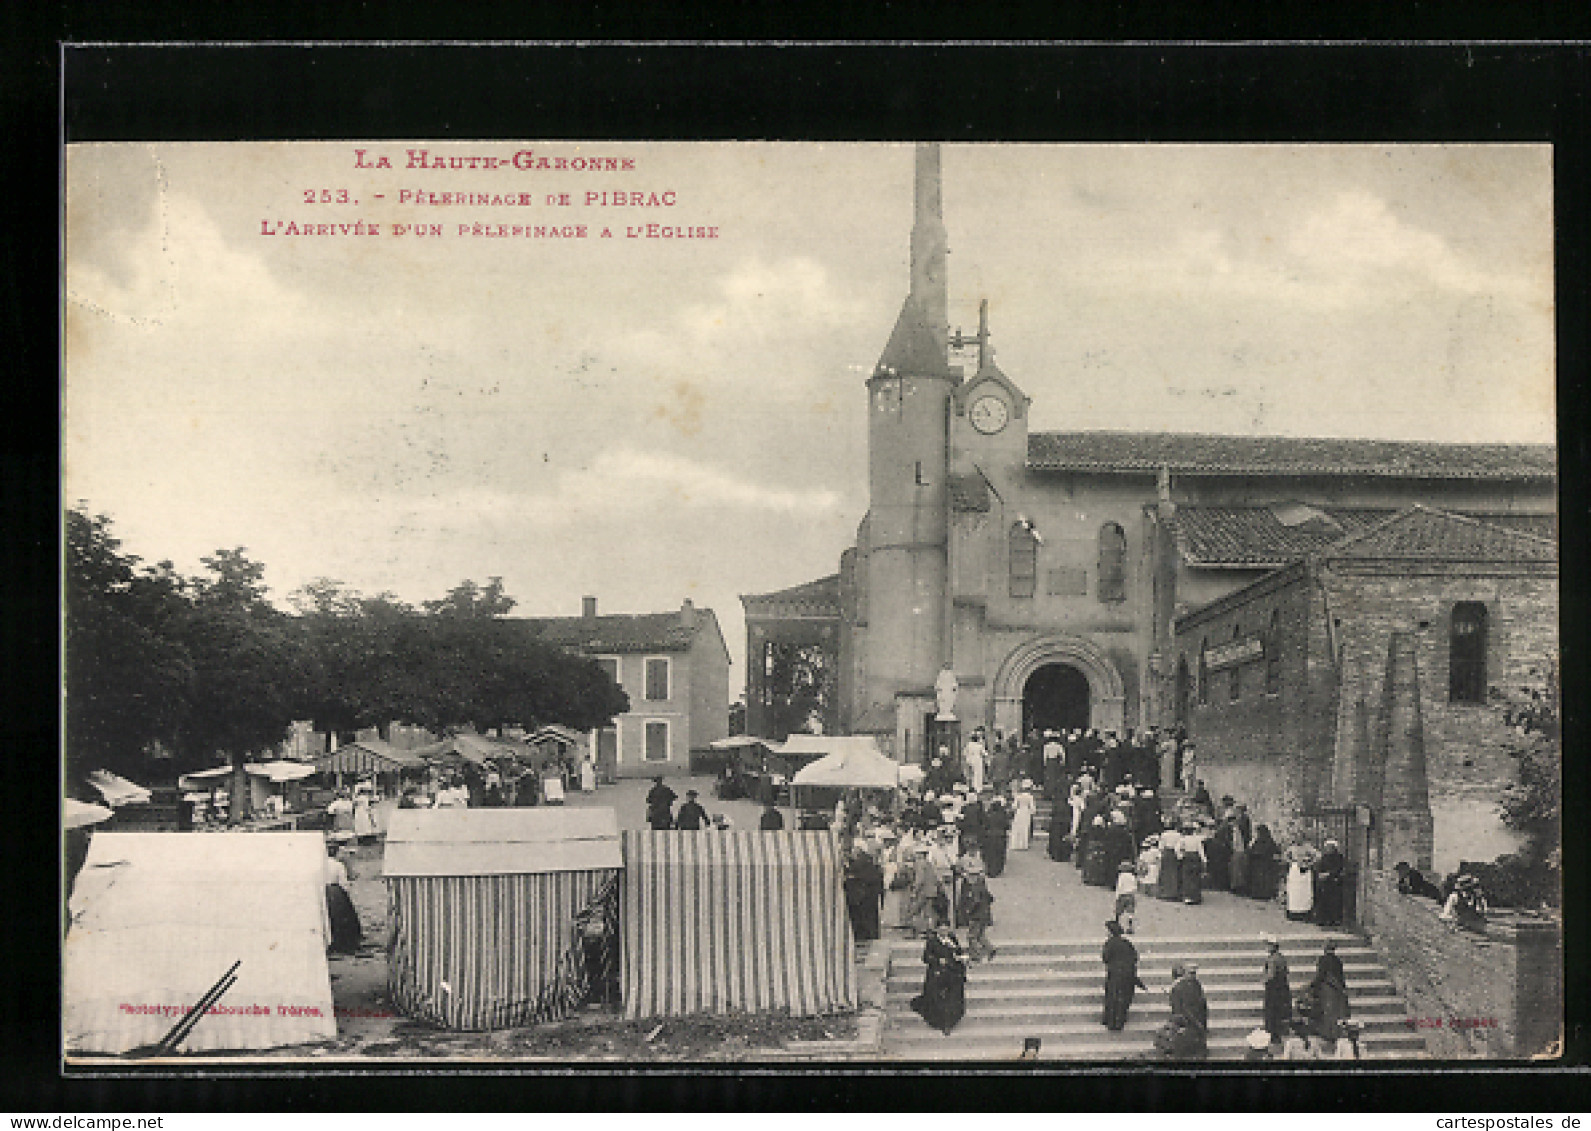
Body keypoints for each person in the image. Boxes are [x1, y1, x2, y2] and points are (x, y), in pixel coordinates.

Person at [909, 924, 968, 1035]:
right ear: (937, 930)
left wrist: (961, 957)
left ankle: (952, 1020)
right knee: (938, 996)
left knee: (954, 994)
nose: (944, 930)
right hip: (937, 972)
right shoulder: (932, 941)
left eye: (946, 928)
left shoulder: (952, 939)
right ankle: (941, 1023)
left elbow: (959, 953)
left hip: (952, 972)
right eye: (941, 928)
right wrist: (937, 960)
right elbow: (926, 957)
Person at [1100, 919, 1144, 1030]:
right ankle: (1119, 1021)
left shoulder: (1110, 943)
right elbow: (1135, 957)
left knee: (1112, 997)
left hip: (1115, 974)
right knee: (1123, 998)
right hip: (1128, 974)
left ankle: (1110, 1021)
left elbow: (1105, 958)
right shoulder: (1127, 943)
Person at [1162, 962, 1209, 1060]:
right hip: (1187, 1018)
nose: (1193, 975)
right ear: (1184, 974)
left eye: (1194, 973)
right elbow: (1178, 1007)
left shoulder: (1196, 984)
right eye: (1190, 973)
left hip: (1198, 1015)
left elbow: (1202, 1000)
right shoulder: (1178, 987)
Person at [1309, 940, 1352, 1041]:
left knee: (1327, 1012)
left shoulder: (1323, 960)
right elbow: (1341, 978)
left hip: (1327, 989)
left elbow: (1320, 975)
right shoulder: (1338, 960)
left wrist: (1312, 986)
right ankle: (1335, 1033)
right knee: (1334, 1013)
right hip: (1337, 990)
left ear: (1325, 948)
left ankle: (1327, 1034)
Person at [324, 841, 362, 955]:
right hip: (336, 893)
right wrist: (347, 891)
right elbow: (343, 883)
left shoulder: (320, 864)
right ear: (336, 853)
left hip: (324, 891)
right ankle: (344, 943)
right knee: (343, 917)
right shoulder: (338, 865)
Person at [843, 846, 886, 942]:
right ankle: (872, 934)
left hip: (861, 895)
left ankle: (864, 935)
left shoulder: (858, 864)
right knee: (871, 916)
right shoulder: (869, 864)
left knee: (863, 917)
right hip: (870, 895)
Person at [958, 865, 997, 963]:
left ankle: (976, 955)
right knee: (980, 935)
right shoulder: (982, 886)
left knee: (972, 936)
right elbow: (990, 898)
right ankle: (990, 949)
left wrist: (968, 911)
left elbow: (975, 901)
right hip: (984, 915)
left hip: (976, 916)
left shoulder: (974, 888)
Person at [905, 847, 944, 937]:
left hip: (923, 891)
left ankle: (915, 932)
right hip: (932, 891)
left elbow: (920, 879)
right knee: (928, 912)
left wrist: (914, 891)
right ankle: (929, 930)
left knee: (913, 911)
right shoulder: (929, 864)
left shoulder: (919, 864)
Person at [1261, 934, 1291, 1041]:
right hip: (1282, 988)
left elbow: (1271, 975)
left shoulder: (1272, 959)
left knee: (1271, 1011)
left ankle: (1272, 1034)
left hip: (1273, 989)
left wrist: (1264, 980)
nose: (1267, 947)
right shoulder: (1281, 957)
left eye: (1269, 945)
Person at [1314, 839, 1346, 927]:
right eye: (1327, 847)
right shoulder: (1324, 857)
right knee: (1323, 899)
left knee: (1334, 901)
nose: (1328, 849)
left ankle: (1334, 919)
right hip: (1325, 882)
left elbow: (1339, 868)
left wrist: (1329, 874)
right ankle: (1323, 919)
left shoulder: (1339, 857)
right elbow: (1320, 867)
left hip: (1334, 881)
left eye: (1330, 847)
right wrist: (1320, 874)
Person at [1246, 824, 1281, 901]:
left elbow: (1253, 851)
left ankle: (1261, 894)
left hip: (1263, 864)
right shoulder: (1265, 840)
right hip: (1261, 863)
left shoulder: (1263, 841)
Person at [1285, 842, 1316, 921]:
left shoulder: (1308, 847)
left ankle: (1305, 912)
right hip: (1295, 869)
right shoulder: (1292, 847)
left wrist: (1309, 863)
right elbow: (1285, 856)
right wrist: (1291, 862)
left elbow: (1316, 856)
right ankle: (1293, 912)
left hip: (1305, 868)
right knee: (1294, 891)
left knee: (1304, 891)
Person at [981, 796, 1011, 878]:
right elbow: (1007, 825)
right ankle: (998, 869)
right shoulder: (1003, 815)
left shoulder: (988, 814)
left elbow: (984, 824)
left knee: (990, 854)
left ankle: (990, 870)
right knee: (999, 853)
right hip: (1000, 836)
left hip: (989, 836)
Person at [1179, 825, 1206, 905]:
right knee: (1195, 877)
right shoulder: (1197, 839)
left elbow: (1178, 849)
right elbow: (1201, 850)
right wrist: (1204, 860)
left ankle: (1188, 897)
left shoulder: (1182, 840)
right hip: (1195, 857)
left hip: (1187, 857)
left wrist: (1180, 856)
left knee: (1187, 877)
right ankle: (1195, 897)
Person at [1008, 779, 1036, 851]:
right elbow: (1032, 807)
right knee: (1025, 828)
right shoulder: (1030, 797)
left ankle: (1016, 844)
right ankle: (1023, 844)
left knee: (1017, 828)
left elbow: (1014, 806)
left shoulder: (1018, 796)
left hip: (1019, 811)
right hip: (1026, 812)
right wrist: (1031, 812)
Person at [1156, 827, 1182, 902]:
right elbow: (1178, 846)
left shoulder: (1164, 835)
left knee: (1166, 873)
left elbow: (1161, 846)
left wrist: (1161, 853)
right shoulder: (1178, 835)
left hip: (1166, 853)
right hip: (1174, 853)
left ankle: (1166, 893)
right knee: (1174, 872)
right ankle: (1174, 893)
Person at [1114, 860, 1139, 934]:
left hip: (1122, 895)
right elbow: (1135, 887)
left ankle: (1117, 925)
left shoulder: (1121, 876)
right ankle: (1130, 927)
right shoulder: (1132, 876)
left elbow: (1119, 886)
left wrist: (1117, 896)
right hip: (1131, 895)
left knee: (1118, 911)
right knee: (1130, 912)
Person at [963, 729, 988, 794]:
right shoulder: (979, 745)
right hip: (977, 760)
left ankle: (971, 787)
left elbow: (964, 753)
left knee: (971, 774)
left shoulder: (968, 745)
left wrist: (967, 758)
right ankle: (978, 788)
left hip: (970, 760)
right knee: (978, 774)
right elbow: (985, 753)